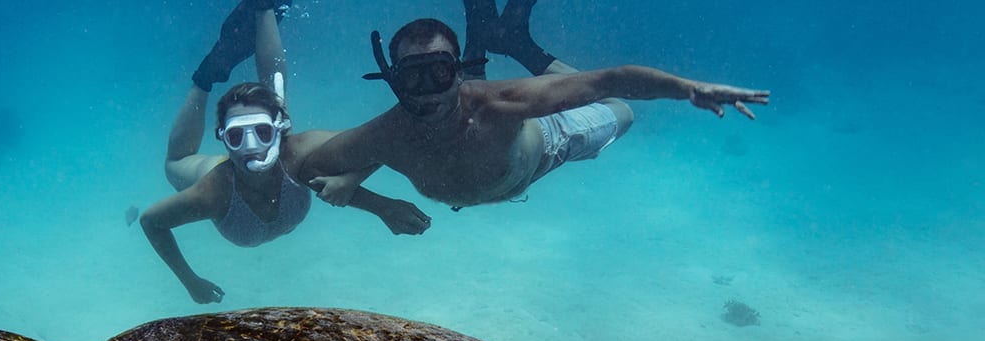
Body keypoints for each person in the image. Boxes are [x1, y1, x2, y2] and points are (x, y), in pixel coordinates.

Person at [303, 0, 771, 211]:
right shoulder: (385, 134)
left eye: (439, 73)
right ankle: (504, 35)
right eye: (413, 76)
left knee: (621, 111)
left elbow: (613, 80)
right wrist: (370, 201)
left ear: (457, 71)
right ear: (394, 81)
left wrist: (688, 88)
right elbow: (297, 161)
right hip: (496, 154)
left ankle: (526, 51)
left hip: (550, 143)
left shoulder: (505, 105)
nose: (428, 90)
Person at [140, 0, 431, 304]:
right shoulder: (213, 191)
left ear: (277, 130)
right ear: (223, 139)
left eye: (262, 133)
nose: (252, 147)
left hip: (286, 145)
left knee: (280, 111)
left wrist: (365, 193)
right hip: (215, 169)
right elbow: (151, 221)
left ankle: (263, 6)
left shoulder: (296, 152)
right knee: (175, 164)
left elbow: (383, 139)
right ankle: (205, 78)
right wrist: (191, 282)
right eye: (237, 136)